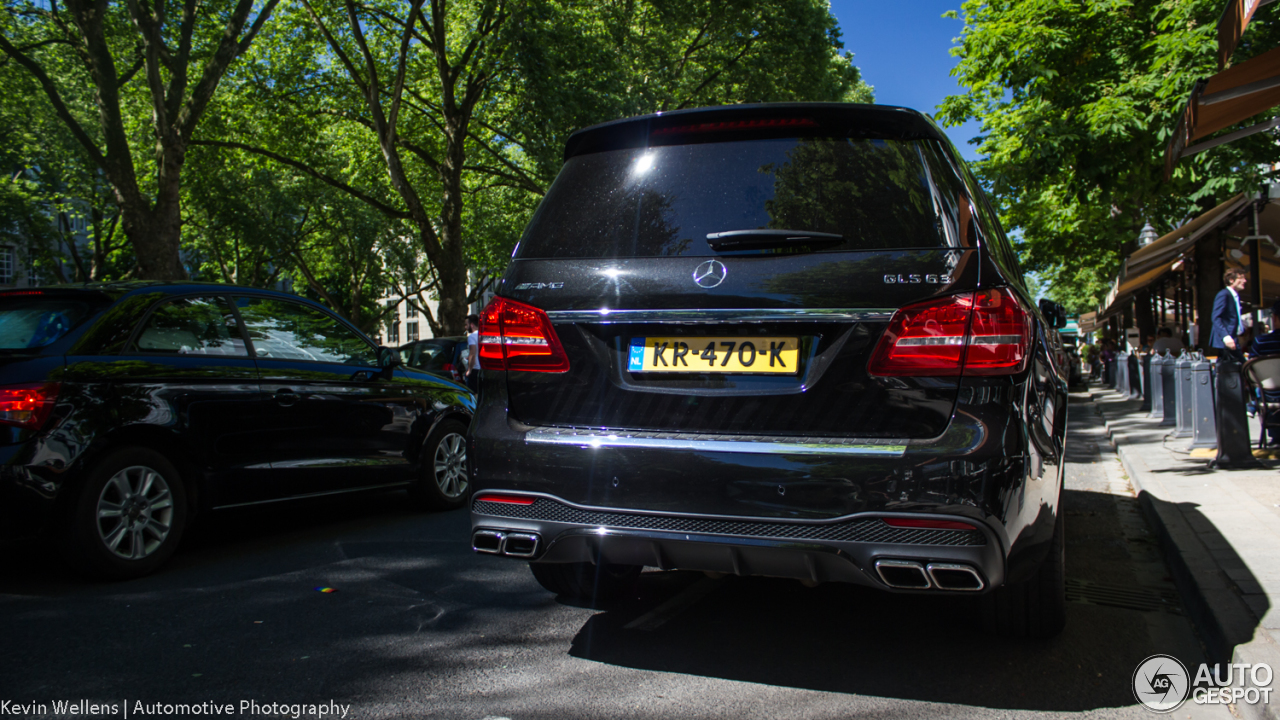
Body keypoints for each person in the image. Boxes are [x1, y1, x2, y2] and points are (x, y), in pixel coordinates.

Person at [1210, 268, 1249, 361]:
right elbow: (1216, 317)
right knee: (1244, 368)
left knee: (1226, 368)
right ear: (1231, 280)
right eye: (1241, 278)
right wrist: (1226, 337)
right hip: (1228, 340)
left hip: (1232, 339)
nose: (1245, 281)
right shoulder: (1224, 295)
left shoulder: (1234, 296)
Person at [465, 314, 481, 394]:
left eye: (466, 324)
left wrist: (469, 370)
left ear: (471, 325)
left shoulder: (472, 337)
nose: (465, 327)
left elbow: (473, 353)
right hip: (483, 369)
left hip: (475, 369)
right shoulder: (483, 334)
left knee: (473, 394)